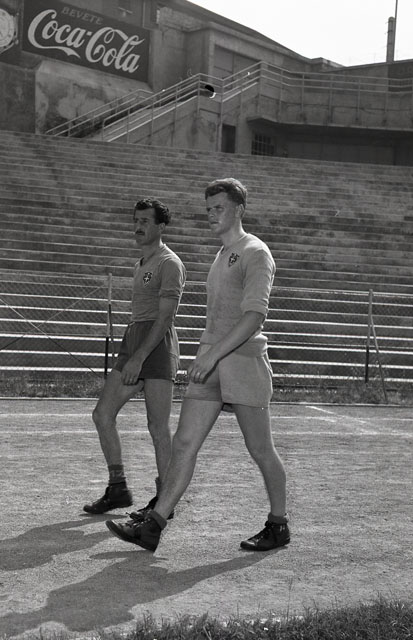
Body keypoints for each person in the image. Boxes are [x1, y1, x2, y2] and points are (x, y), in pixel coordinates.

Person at [106, 178, 289, 552]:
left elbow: (255, 316)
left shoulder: (255, 252)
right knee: (184, 442)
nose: (211, 215)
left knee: (260, 449)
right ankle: (154, 525)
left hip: (244, 363)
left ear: (239, 209)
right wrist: (208, 354)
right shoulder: (222, 255)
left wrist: (212, 353)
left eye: (219, 208)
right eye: (208, 209)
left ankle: (278, 523)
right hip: (211, 365)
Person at [83, 198, 186, 518]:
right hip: (135, 339)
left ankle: (164, 500)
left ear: (160, 227)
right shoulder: (140, 263)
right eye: (136, 220)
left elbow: (165, 317)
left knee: (158, 426)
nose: (138, 226)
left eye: (145, 221)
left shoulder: (170, 263)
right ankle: (118, 488)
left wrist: (139, 358)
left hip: (156, 346)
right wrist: (133, 351)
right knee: (102, 414)